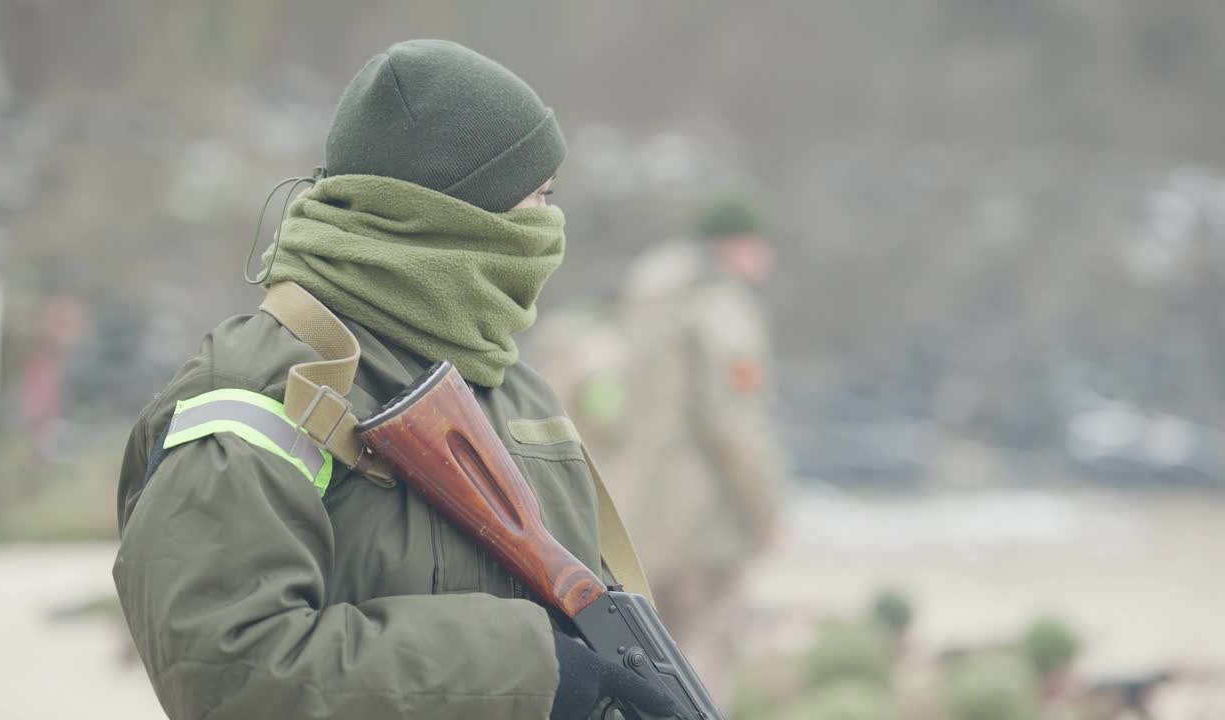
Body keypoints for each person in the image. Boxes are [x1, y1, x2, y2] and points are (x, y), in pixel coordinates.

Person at [112, 39, 676, 720]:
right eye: (535, 198)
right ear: (456, 211)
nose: (550, 226)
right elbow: (228, 673)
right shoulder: (252, 392)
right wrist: (525, 671)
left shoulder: (515, 388)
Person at [601, 192, 789, 694]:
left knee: (647, 653)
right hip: (706, 520)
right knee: (707, 650)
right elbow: (737, 428)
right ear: (738, 246)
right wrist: (766, 512)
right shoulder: (722, 309)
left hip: (640, 510)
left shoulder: (649, 300)